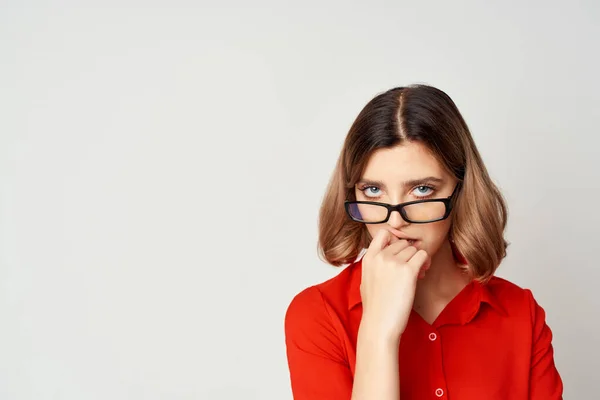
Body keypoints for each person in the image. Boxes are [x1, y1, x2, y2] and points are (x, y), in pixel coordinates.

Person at [284, 84, 563, 399]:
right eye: (373, 190)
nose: (395, 220)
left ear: (460, 190)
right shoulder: (318, 315)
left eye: (421, 189)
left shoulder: (519, 313)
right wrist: (378, 333)